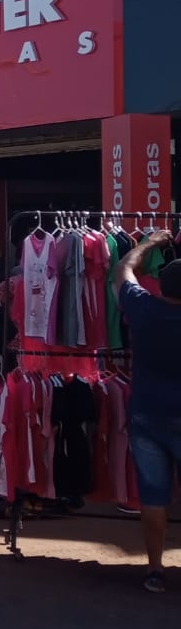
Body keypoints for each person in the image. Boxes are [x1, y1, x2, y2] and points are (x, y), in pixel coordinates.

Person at [114, 229, 181, 592]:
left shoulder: (143, 308)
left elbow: (123, 269)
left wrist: (150, 243)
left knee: (153, 497)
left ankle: (155, 570)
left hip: (147, 415)